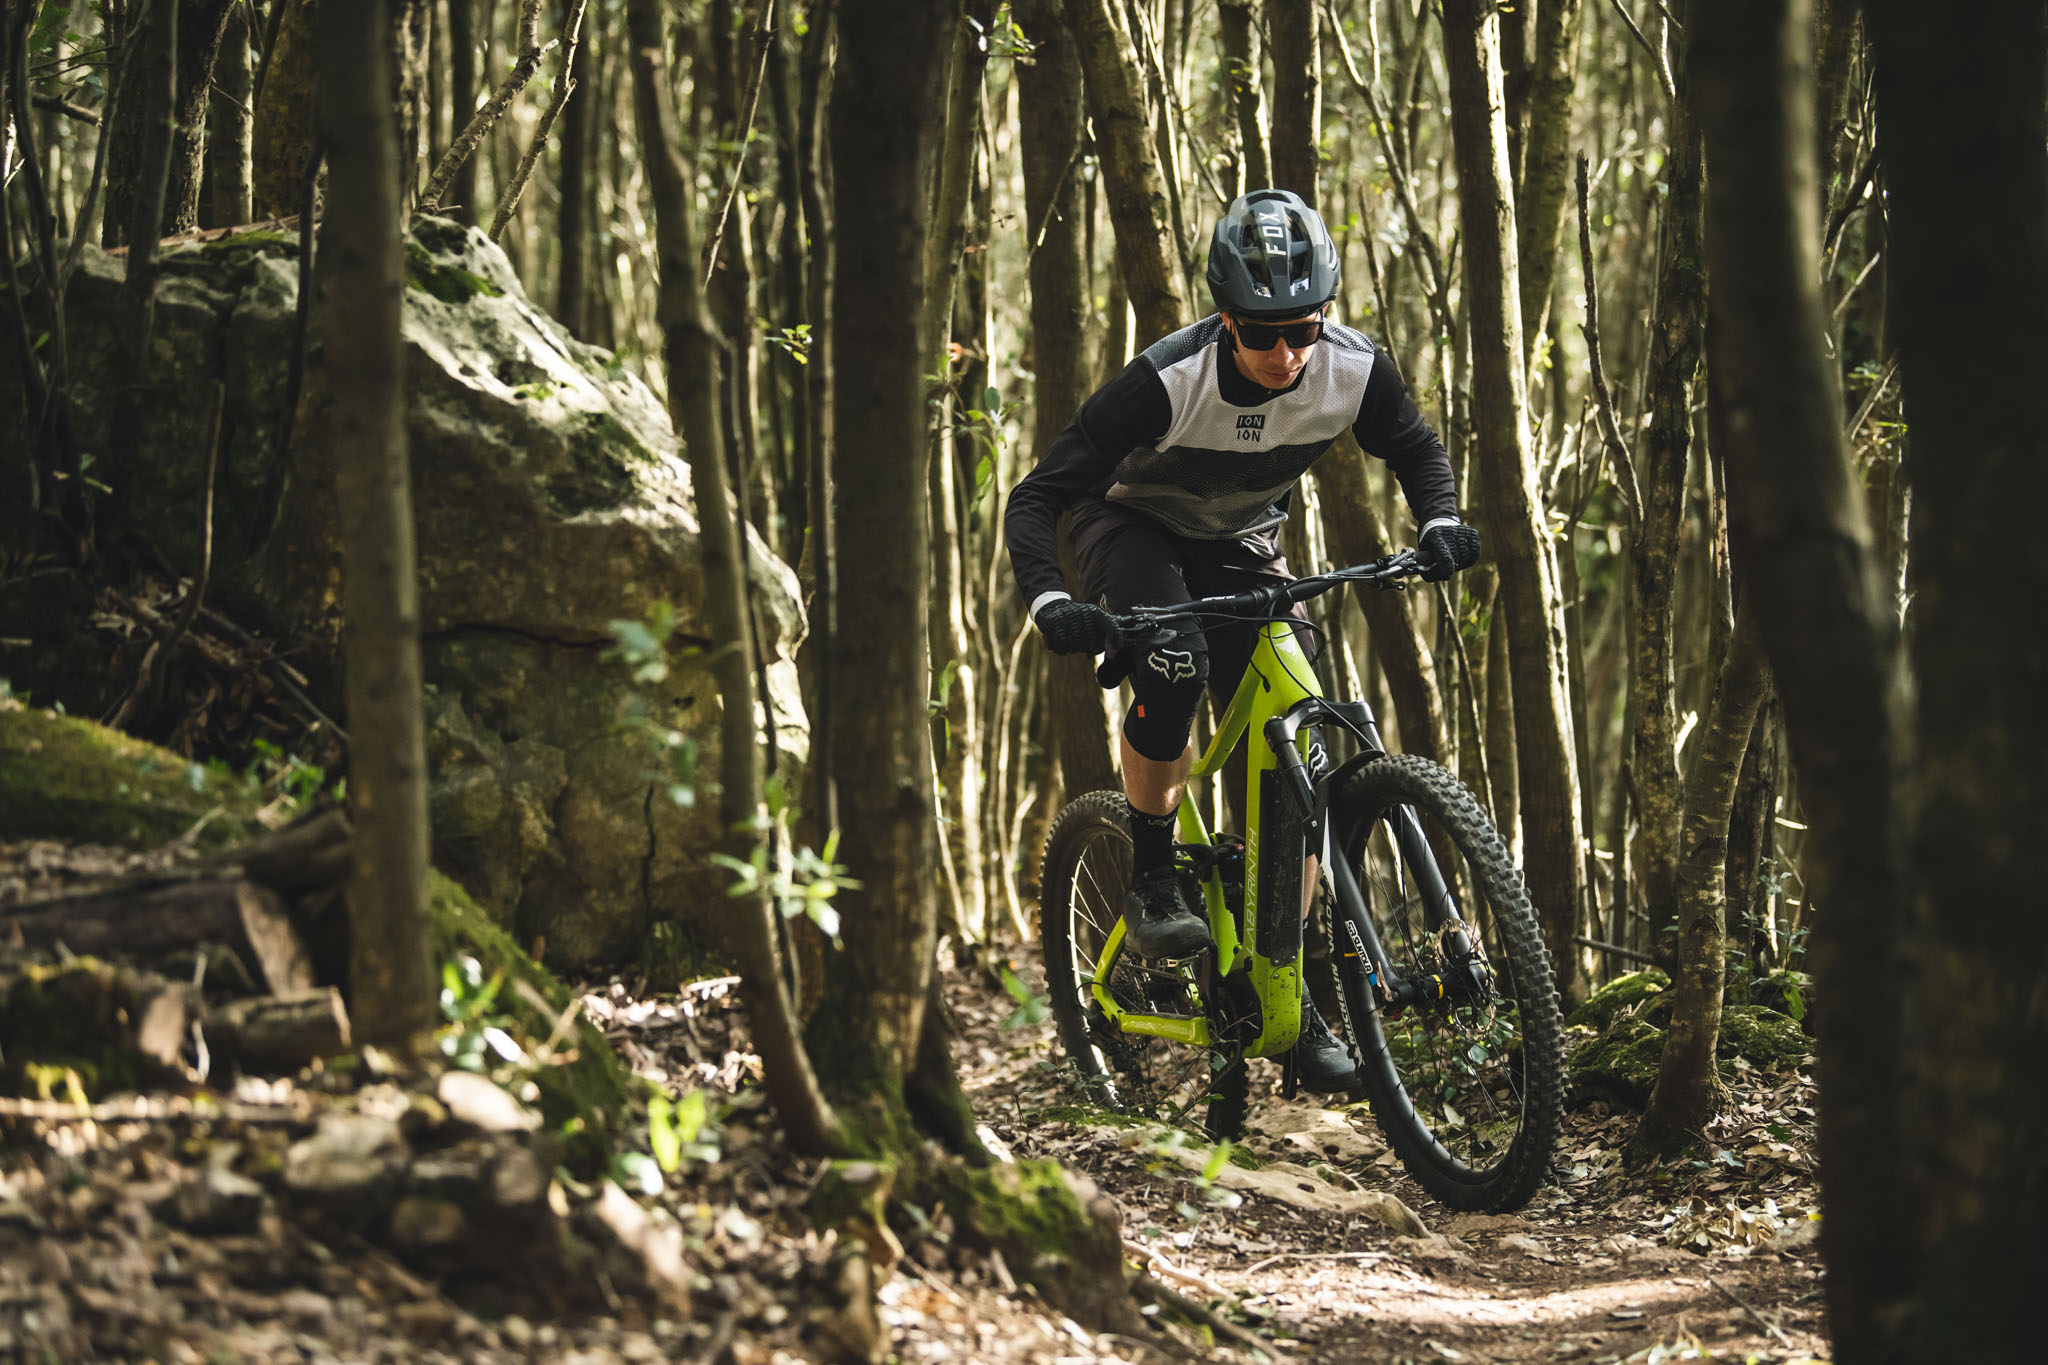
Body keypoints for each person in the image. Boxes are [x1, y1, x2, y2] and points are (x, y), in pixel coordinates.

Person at [1004, 188, 1481, 1091]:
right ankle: (1152, 871)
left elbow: (1417, 450)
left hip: (1243, 542)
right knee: (1175, 661)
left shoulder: (1353, 369)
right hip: (1132, 527)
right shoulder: (1167, 380)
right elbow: (1037, 497)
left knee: (1299, 745)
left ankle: (1285, 1001)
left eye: (1303, 329)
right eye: (1263, 333)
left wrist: (1441, 521)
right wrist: (1050, 599)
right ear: (1226, 320)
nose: (1286, 352)